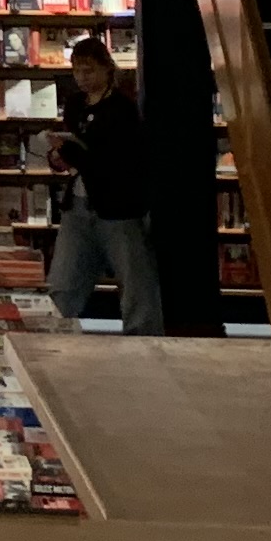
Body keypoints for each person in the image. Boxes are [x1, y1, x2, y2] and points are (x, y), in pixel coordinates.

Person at [45, 31, 162, 334]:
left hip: (117, 207)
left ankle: (145, 343)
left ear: (106, 69)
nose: (81, 78)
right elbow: (80, 156)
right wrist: (58, 157)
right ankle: (54, 335)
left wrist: (71, 152)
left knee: (135, 283)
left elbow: (113, 160)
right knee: (62, 281)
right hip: (80, 203)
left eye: (88, 70)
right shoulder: (75, 104)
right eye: (76, 71)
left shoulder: (122, 109)